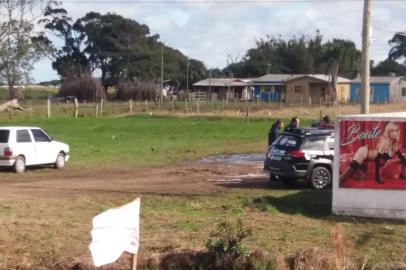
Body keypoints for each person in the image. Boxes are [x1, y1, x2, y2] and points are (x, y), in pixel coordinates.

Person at [340, 121, 406, 184]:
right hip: (364, 153)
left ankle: (351, 168)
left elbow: (402, 158)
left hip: (367, 161)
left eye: (396, 130)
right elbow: (377, 159)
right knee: (344, 176)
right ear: (388, 132)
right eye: (392, 131)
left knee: (362, 177)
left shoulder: (394, 145)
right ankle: (343, 176)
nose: (394, 133)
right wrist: (377, 178)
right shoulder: (386, 143)